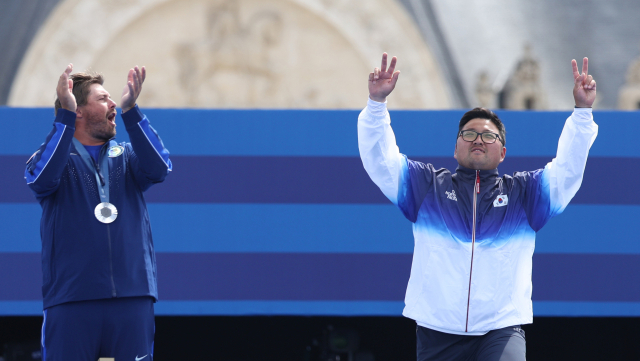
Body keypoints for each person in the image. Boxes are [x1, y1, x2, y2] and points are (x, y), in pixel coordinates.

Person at [358, 53, 597, 360]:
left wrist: (582, 113)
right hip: (437, 331)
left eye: (488, 136)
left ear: (503, 152)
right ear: (456, 148)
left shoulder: (525, 193)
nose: (478, 140)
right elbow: (381, 161)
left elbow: (568, 170)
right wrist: (376, 105)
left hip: (500, 329)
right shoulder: (426, 186)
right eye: (469, 134)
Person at [25, 64, 172, 361]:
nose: (113, 103)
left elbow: (160, 168)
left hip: (133, 298)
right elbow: (40, 179)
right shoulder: (55, 159)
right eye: (103, 98)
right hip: (72, 299)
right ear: (78, 110)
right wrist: (64, 118)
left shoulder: (129, 158)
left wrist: (132, 111)